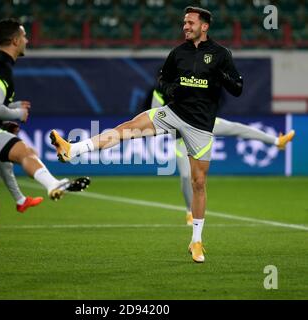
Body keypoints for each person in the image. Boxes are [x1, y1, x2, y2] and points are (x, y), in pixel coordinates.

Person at [49, 6, 243, 263]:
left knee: (198, 183)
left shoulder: (221, 54)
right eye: (184, 22)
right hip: (173, 113)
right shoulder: (178, 53)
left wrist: (221, 75)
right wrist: (172, 89)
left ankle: (196, 241)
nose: (185, 26)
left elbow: (238, 87)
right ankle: (73, 149)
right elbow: (163, 79)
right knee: (126, 128)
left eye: (190, 23)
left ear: (204, 26)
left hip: (200, 125)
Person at [0, 18, 90, 293]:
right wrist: (17, 113)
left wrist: (6, 108)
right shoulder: (2, 65)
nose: (27, 40)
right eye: (25, 36)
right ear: (15, 40)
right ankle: (54, 183)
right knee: (25, 151)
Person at [150, 89, 295, 226]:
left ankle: (277, 141)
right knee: (187, 176)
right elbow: (154, 116)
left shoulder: (188, 81)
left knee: (237, 128)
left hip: (202, 124)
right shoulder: (161, 90)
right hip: (181, 137)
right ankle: (190, 211)